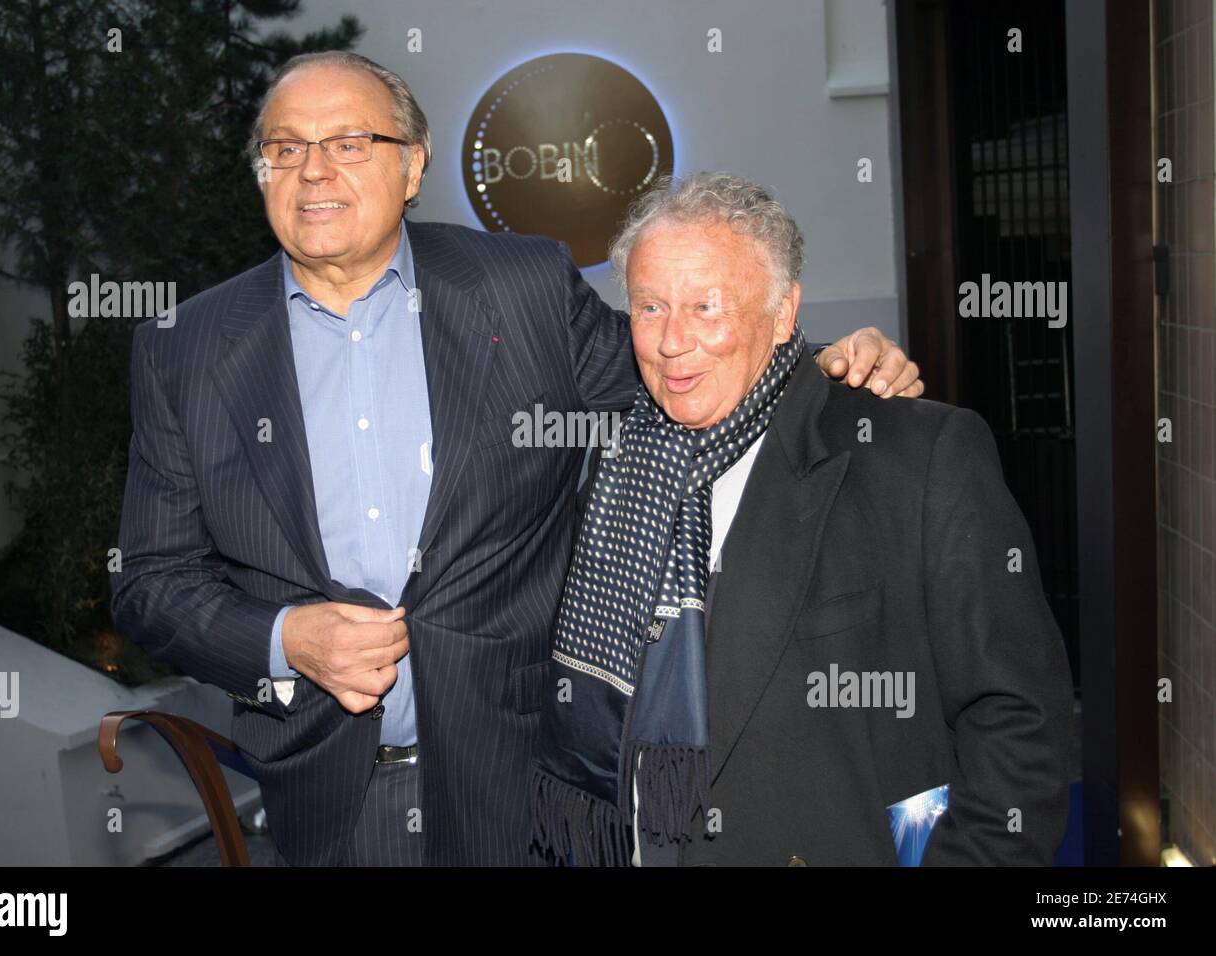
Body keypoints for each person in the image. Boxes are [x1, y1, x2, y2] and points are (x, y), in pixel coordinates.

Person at [110, 52, 922, 866]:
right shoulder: (186, 352)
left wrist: (819, 364)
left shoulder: (520, 288)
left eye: (350, 142)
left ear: (413, 164)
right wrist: (287, 638)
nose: (314, 170)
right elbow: (151, 584)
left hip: (530, 786)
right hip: (334, 799)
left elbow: (679, 377)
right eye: (285, 148)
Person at [532, 172, 1074, 866]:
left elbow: (1019, 722)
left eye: (707, 306)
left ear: (785, 312)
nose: (672, 341)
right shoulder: (609, 469)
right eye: (649, 307)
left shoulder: (915, 455)